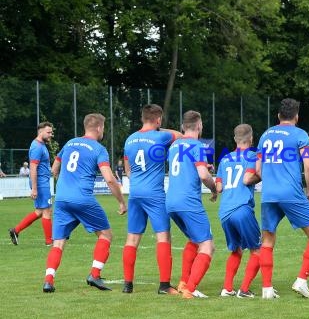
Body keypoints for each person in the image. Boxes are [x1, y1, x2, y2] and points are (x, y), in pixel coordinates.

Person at [244, 98, 309, 299]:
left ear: (279, 116)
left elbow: (259, 170)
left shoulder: (265, 135)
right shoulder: (300, 134)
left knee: (268, 240)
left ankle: (267, 289)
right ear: (296, 116)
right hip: (290, 193)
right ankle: (301, 280)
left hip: (269, 194)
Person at [42, 113, 127, 293]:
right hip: (82, 199)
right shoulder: (98, 149)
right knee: (106, 234)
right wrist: (121, 202)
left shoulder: (70, 143)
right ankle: (94, 274)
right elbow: (109, 179)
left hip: (62, 199)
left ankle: (48, 280)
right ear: (98, 128)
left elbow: (54, 169)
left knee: (58, 243)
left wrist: (66, 183)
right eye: (103, 128)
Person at [122, 104, 182, 295]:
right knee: (163, 236)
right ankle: (164, 285)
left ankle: (127, 285)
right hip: (154, 193)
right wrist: (159, 127)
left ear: (142, 118)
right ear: (158, 119)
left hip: (135, 193)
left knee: (132, 238)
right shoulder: (161, 136)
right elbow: (181, 136)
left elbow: (127, 169)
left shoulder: (130, 139)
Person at [166, 110, 217, 299]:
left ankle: (183, 283)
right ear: (199, 126)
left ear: (182, 127)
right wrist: (213, 189)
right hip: (188, 201)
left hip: (171, 202)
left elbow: (185, 166)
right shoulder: (197, 145)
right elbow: (203, 176)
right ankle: (190, 289)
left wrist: (204, 166)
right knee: (207, 246)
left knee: (194, 241)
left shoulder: (174, 146)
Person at [216, 124, 261, 299]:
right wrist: (260, 176)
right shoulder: (252, 155)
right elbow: (247, 178)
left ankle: (227, 288)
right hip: (241, 209)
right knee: (257, 250)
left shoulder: (225, 159)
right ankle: (244, 289)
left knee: (236, 250)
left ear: (235, 139)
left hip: (224, 212)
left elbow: (219, 187)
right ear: (251, 139)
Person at [9, 122, 54, 246]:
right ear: (40, 132)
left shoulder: (42, 145)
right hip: (40, 183)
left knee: (40, 211)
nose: (51, 134)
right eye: (48, 132)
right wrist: (34, 188)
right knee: (47, 211)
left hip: (42, 181)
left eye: (51, 132)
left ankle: (15, 230)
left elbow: (40, 166)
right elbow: (33, 168)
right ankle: (49, 242)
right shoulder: (37, 147)